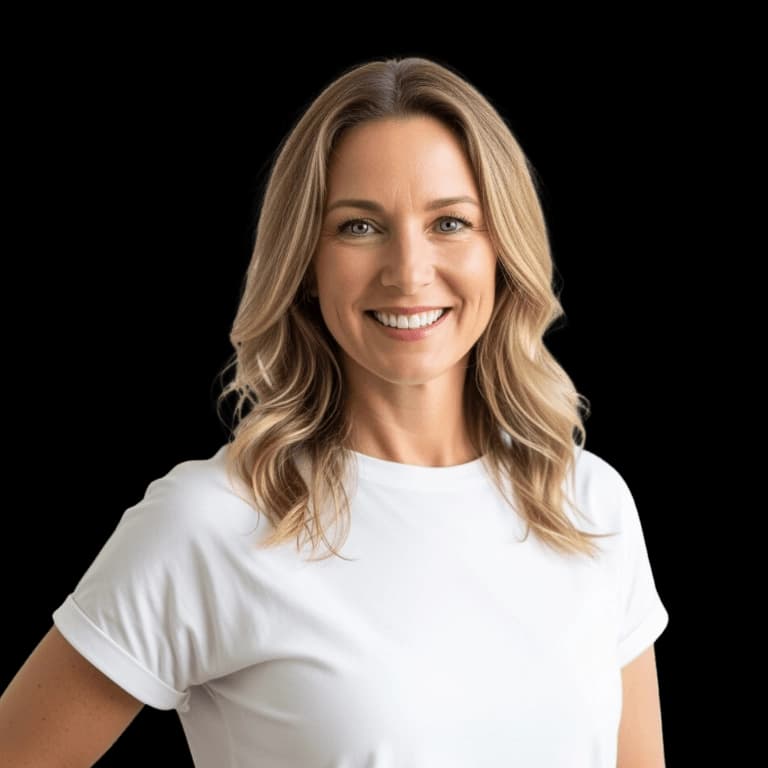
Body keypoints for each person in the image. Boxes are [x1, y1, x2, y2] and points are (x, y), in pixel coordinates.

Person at [0, 56, 669, 767]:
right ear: (307, 265)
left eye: (449, 222)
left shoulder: (589, 506)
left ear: (502, 252)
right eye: (358, 226)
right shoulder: (212, 522)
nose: (409, 272)